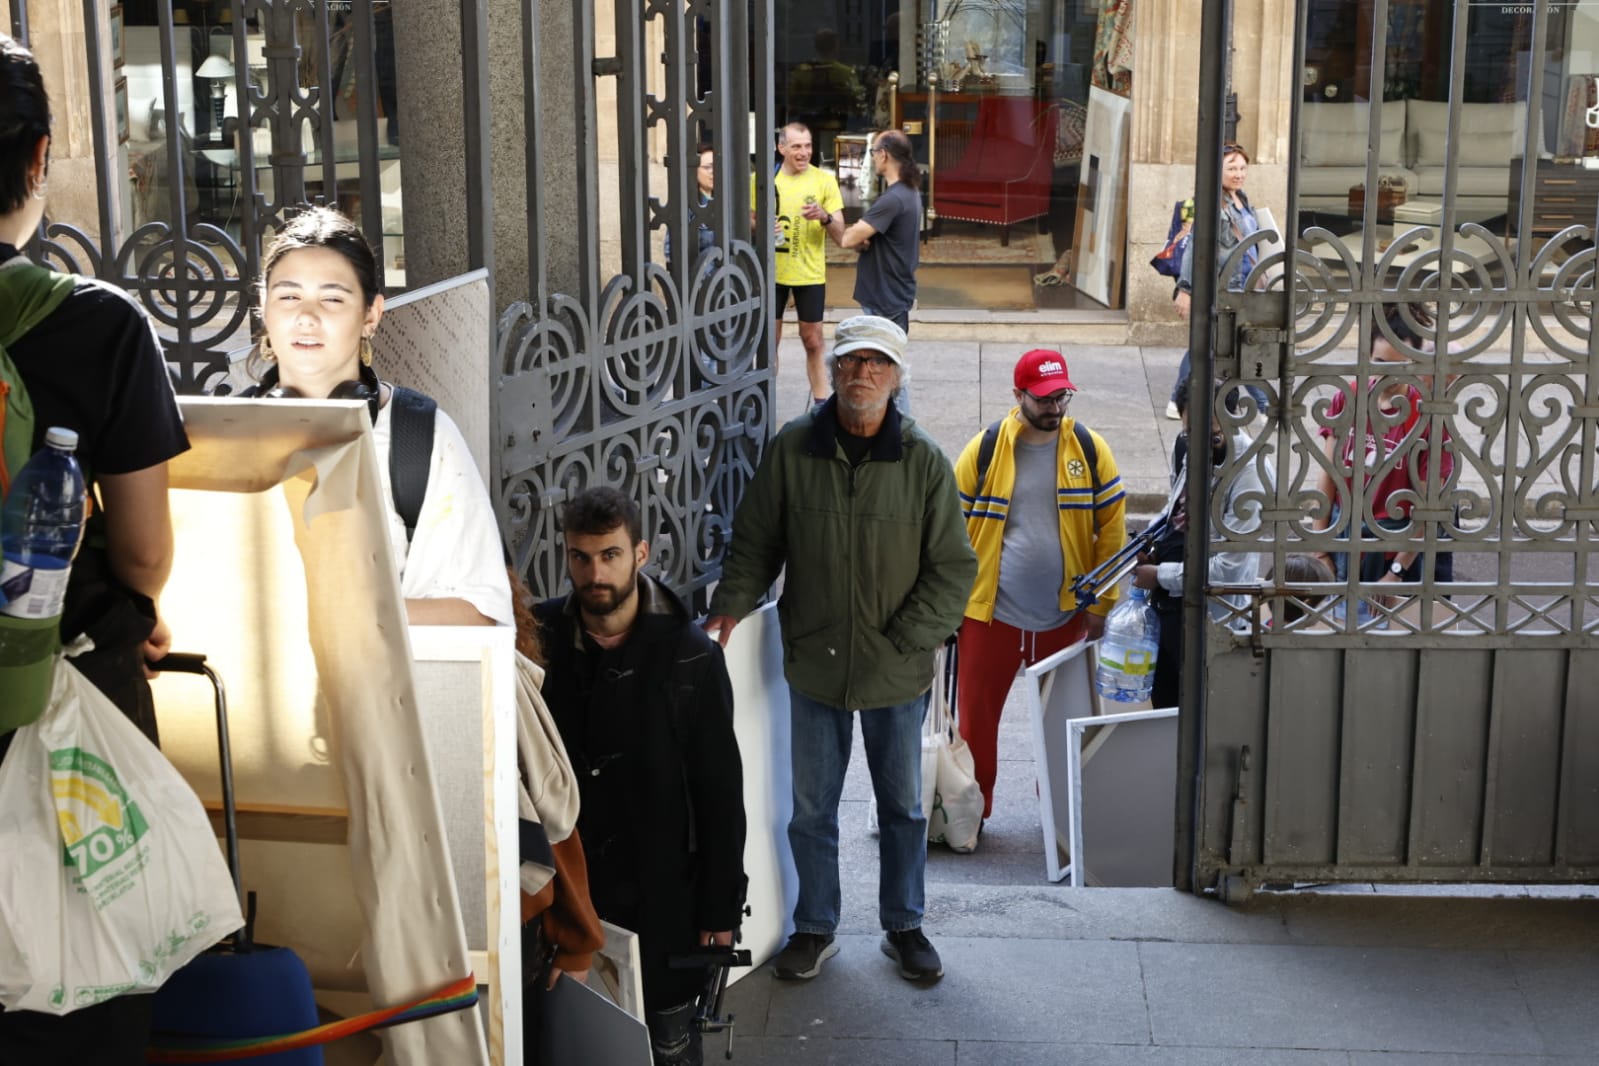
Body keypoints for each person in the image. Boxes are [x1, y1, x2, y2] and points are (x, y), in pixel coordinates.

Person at [0, 32, 189, 1064]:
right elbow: (146, 554)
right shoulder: (99, 326)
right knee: (84, 997)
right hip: (62, 702)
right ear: (38, 158)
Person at [704, 315, 975, 985]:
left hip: (896, 669)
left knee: (903, 810)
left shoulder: (923, 461)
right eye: (852, 361)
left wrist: (908, 637)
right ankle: (814, 927)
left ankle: (904, 925)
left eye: (877, 363)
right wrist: (729, 608)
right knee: (811, 811)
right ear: (835, 369)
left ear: (896, 377)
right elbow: (756, 542)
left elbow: (953, 569)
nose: (862, 374)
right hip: (814, 661)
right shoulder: (794, 449)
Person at [536, 487, 746, 1066]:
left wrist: (720, 910)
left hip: (663, 899)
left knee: (668, 1045)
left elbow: (719, 793)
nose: (594, 574)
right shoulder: (539, 638)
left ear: (641, 553)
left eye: (610, 555)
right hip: (565, 892)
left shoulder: (692, 656)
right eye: (580, 557)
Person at [245, 205, 512, 628]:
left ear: (371, 315)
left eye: (332, 299)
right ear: (264, 305)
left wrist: (343, 614)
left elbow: (481, 614)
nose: (307, 317)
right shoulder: (228, 435)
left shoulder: (418, 437)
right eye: (289, 296)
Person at [952, 349, 1127, 819]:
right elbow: (948, 530)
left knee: (1063, 724)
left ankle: (1059, 818)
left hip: (1064, 615)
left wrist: (1101, 605)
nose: (1055, 407)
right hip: (990, 615)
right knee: (976, 724)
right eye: (1044, 398)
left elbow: (1113, 531)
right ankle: (972, 815)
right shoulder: (985, 449)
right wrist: (949, 605)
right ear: (1018, 395)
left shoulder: (1089, 448)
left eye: (1062, 396)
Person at [1311, 305, 1454, 627]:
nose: (1387, 375)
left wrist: (1396, 573)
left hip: (1393, 555)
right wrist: (1320, 550)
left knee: (1387, 643)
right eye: (1379, 363)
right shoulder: (1349, 398)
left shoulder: (1426, 414)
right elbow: (1328, 476)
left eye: (1398, 366)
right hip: (1341, 543)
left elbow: (1430, 507)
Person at [1132, 378, 1267, 709]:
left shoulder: (1250, 474)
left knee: (1202, 713)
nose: (1198, 443)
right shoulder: (1186, 444)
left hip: (1213, 619)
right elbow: (1175, 504)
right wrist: (1152, 538)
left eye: (1212, 435)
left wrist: (1159, 575)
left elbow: (1229, 570)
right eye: (1190, 431)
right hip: (1170, 608)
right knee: (1164, 708)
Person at [1170, 142, 1268, 418]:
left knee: (1212, 344)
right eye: (1232, 168)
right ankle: (1263, 404)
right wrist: (1186, 289)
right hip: (1225, 287)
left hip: (1246, 286)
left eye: (1242, 168)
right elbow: (1196, 247)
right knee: (1234, 345)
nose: (1239, 174)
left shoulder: (1242, 200)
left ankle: (1178, 397)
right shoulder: (1214, 205)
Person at [759, 123, 845, 407]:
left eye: (808, 146)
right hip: (772, 274)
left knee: (813, 340)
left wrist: (824, 217)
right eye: (796, 146)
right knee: (769, 343)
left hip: (809, 274)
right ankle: (765, 404)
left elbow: (841, 234)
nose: (804, 152)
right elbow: (746, 220)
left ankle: (821, 404)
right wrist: (760, 226)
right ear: (781, 148)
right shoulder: (763, 180)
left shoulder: (824, 181)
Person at [841, 128, 922, 335]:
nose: (873, 158)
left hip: (885, 298)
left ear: (883, 154)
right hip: (892, 294)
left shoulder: (893, 199)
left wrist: (858, 234)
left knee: (881, 354)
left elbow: (847, 239)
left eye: (873, 152)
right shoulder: (909, 191)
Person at [665, 144, 717, 278]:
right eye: (707, 167)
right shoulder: (687, 205)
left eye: (716, 166)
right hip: (700, 281)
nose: (713, 171)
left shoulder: (725, 201)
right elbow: (671, 249)